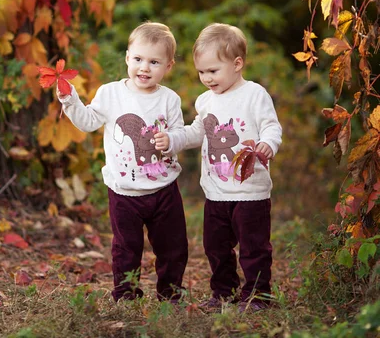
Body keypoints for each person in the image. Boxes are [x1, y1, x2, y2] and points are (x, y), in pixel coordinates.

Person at [57, 22, 188, 303]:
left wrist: (172, 140)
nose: (145, 67)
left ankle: (171, 295)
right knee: (126, 248)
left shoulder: (169, 99)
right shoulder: (110, 93)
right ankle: (126, 296)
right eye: (138, 59)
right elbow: (88, 122)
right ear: (127, 57)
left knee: (173, 247)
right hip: (124, 191)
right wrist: (71, 101)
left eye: (154, 62)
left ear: (168, 66)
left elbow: (179, 132)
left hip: (164, 189)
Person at [181, 23, 282, 312]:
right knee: (215, 246)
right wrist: (172, 140)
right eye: (201, 72)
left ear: (237, 64)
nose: (206, 78)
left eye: (213, 71)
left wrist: (268, 145)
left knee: (253, 248)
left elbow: (271, 127)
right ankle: (223, 292)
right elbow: (196, 132)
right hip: (215, 191)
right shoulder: (205, 101)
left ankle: (258, 295)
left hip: (250, 192)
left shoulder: (254, 94)